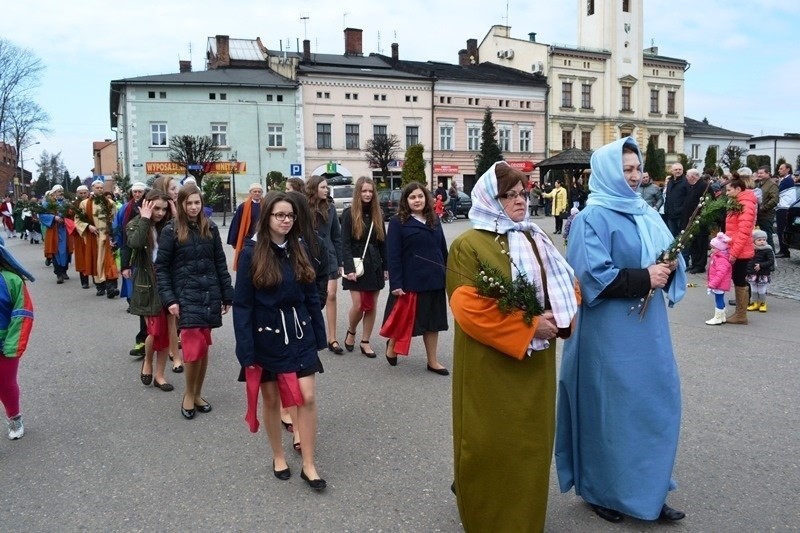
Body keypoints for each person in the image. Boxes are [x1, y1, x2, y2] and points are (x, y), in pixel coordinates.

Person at [556, 137, 687, 524]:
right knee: (610, 412)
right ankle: (601, 490)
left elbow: (666, 253)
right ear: (609, 172)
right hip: (607, 335)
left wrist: (672, 264)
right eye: (625, 169)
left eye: (636, 169)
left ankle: (649, 489)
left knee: (653, 406)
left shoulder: (645, 212)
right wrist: (646, 276)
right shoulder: (589, 218)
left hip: (649, 332)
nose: (633, 177)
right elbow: (592, 278)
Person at [446, 161, 578, 532]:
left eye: (522, 193)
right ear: (491, 197)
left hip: (536, 368)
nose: (519, 201)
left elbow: (566, 282)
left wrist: (563, 313)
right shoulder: (468, 245)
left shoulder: (536, 237)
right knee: (489, 445)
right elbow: (467, 308)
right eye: (509, 195)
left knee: (531, 448)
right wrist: (530, 325)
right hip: (491, 368)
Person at [233, 191, 328, 490]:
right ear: (268, 218)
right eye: (279, 215)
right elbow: (243, 305)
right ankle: (278, 455)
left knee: (307, 397)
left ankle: (309, 465)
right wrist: (246, 351)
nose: (286, 220)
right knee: (272, 400)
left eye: (290, 215)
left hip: (300, 332)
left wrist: (320, 335)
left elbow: (311, 295)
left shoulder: (299, 248)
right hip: (267, 336)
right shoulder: (251, 253)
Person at [155, 184, 234, 419]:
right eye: (188, 203)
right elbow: (162, 268)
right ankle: (189, 394)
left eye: (196, 202)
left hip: (209, 294)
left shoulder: (209, 227)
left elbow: (219, 262)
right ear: (180, 204)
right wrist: (169, 298)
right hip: (185, 295)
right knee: (192, 348)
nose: (193, 207)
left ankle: (198, 393)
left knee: (203, 345)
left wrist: (227, 294)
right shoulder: (170, 230)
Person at [381, 182, 449, 375]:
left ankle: (433, 361)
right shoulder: (397, 222)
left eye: (420, 196)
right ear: (406, 201)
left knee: (433, 322)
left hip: (435, 279)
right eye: (412, 197)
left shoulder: (434, 219)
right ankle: (392, 345)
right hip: (411, 282)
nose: (417, 200)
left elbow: (442, 249)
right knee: (404, 321)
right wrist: (396, 283)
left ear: (426, 198)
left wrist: (449, 273)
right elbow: (393, 255)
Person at [126, 190, 175, 391]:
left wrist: (176, 214)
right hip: (147, 283)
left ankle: (160, 375)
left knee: (164, 332)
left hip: (167, 281)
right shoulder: (135, 224)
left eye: (164, 209)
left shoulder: (169, 226)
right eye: (156, 208)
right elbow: (135, 243)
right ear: (147, 205)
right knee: (154, 331)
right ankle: (148, 361)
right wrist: (145, 219)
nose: (160, 213)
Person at [341, 177, 387, 358]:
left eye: (370, 191)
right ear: (358, 193)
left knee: (372, 305)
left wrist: (386, 267)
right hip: (356, 264)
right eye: (364, 191)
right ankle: (351, 331)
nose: (367, 194)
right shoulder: (348, 214)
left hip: (375, 263)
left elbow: (384, 242)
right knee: (359, 305)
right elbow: (344, 243)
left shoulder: (378, 214)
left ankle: (365, 341)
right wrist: (349, 268)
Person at [0, 236, 35, 440]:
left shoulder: (11, 280)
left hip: (4, 343)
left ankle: (14, 417)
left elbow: (23, 312)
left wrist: (12, 344)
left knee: (5, 384)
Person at [305, 176, 343, 355]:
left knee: (331, 295)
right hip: (308, 256)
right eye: (323, 187)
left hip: (329, 256)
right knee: (311, 296)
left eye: (327, 187)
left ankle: (332, 337)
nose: (326, 190)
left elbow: (337, 236)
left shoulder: (331, 208)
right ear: (314, 189)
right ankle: (310, 333)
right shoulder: (303, 208)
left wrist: (340, 261)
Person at [151, 175, 183, 370]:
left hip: (175, 268)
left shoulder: (175, 212)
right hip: (156, 270)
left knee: (175, 315)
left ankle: (172, 348)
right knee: (167, 316)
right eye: (172, 188)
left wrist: (176, 214)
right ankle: (172, 354)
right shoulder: (152, 214)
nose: (176, 191)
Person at [75, 179, 120, 298]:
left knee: (110, 261)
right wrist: (88, 226)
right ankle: (100, 286)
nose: (99, 189)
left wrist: (114, 234)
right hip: (94, 237)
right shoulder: (84, 204)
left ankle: (111, 287)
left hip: (107, 237)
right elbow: (78, 219)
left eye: (101, 188)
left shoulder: (110, 203)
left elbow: (115, 220)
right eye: (97, 187)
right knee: (97, 261)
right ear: (92, 188)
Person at [723, 175, 757, 325]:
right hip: (736, 248)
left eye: (729, 190)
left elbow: (743, 232)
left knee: (739, 279)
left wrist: (734, 253)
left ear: (738, 189)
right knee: (737, 279)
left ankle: (741, 314)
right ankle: (739, 311)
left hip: (741, 250)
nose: (727, 192)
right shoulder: (738, 202)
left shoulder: (746, 204)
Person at [39, 185, 73, 284]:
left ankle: (64, 271)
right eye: (58, 191)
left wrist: (69, 213)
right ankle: (59, 274)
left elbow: (73, 213)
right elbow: (42, 214)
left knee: (66, 251)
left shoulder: (66, 203)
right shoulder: (48, 204)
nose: (60, 193)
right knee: (55, 251)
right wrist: (54, 218)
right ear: (53, 193)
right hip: (54, 230)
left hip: (65, 230)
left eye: (61, 191)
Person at [228, 183, 263, 271]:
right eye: (255, 191)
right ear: (250, 193)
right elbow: (237, 223)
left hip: (262, 238)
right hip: (248, 239)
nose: (257, 193)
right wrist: (233, 240)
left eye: (259, 191)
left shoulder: (266, 205)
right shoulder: (243, 207)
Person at [683, 170, 709, 273]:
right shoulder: (693, 186)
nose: (687, 178)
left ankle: (700, 265)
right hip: (692, 221)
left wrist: (700, 216)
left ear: (693, 177)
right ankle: (694, 263)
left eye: (688, 176)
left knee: (701, 244)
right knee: (693, 244)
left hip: (700, 221)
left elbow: (708, 202)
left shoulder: (704, 186)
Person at [705, 232, 733, 325]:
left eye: (713, 248)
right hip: (719, 283)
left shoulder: (721, 259)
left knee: (719, 299)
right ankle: (722, 316)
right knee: (719, 298)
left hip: (719, 283)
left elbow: (720, 273)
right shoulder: (718, 256)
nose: (711, 250)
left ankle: (718, 317)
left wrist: (713, 283)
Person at [746, 229, 775, 313]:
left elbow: (771, 261)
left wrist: (761, 265)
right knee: (753, 288)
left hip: (763, 273)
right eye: (759, 240)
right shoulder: (752, 249)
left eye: (764, 240)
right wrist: (748, 271)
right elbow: (749, 261)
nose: (762, 242)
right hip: (753, 273)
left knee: (761, 289)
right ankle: (754, 303)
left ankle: (762, 303)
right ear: (754, 240)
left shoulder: (768, 249)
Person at [775, 162, 796, 258]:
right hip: (782, 207)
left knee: (781, 230)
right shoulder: (784, 179)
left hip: (784, 207)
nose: (779, 170)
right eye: (779, 169)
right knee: (780, 230)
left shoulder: (788, 180)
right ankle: (783, 250)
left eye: (781, 168)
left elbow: (778, 191)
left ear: (788, 169)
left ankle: (784, 250)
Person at [755, 166, 779, 251]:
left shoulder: (772, 184)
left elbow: (775, 200)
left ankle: (771, 257)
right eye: (758, 173)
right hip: (759, 214)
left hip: (766, 215)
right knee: (759, 237)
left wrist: (763, 208)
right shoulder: (759, 183)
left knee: (767, 237)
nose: (759, 175)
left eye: (761, 173)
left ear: (767, 173)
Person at [663, 163, 689, 236]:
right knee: (672, 235)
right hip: (670, 215)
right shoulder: (670, 182)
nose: (678, 171)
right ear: (672, 171)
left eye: (680, 169)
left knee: (682, 236)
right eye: (676, 169)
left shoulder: (686, 182)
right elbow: (667, 197)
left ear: (683, 170)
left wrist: (681, 209)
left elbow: (688, 198)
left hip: (681, 215)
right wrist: (666, 210)